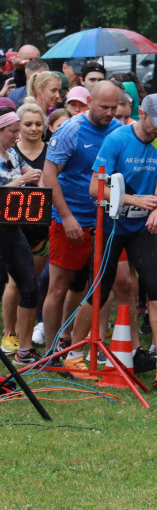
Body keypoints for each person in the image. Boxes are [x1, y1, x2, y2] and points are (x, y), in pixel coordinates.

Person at [76, 94, 157, 389]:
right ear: (140, 113)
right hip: (112, 226)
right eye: (154, 123)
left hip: (142, 228)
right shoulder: (117, 139)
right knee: (100, 290)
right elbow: (95, 187)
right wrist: (136, 199)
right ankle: (74, 354)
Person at [40, 82, 121, 367]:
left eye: (114, 108)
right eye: (104, 107)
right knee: (59, 286)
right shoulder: (70, 130)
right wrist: (66, 216)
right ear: (90, 102)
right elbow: (49, 176)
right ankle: (51, 350)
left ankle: (77, 348)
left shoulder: (118, 131)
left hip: (106, 222)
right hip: (70, 219)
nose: (109, 113)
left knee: (103, 286)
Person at [0, 108, 44, 364]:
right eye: (12, 132)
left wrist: (36, 179)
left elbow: (30, 173)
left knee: (29, 285)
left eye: (18, 131)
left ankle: (25, 349)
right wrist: (23, 180)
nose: (17, 137)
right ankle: (8, 335)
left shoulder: (13, 155)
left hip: (13, 229)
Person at [15, 102, 47, 170]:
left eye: (38, 124)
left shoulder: (52, 152)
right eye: (28, 124)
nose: (34, 129)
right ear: (18, 125)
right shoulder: (11, 153)